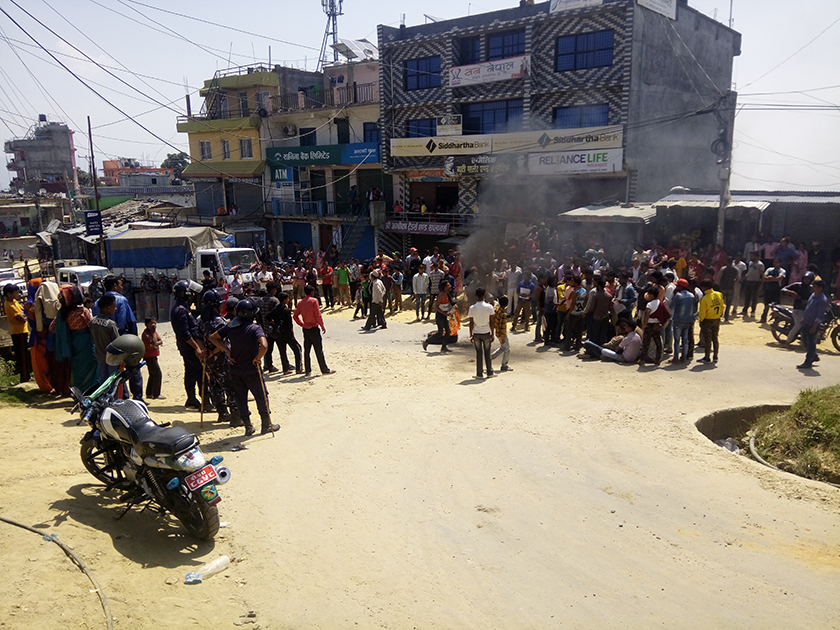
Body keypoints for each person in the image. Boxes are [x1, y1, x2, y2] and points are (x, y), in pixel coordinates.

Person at [209, 299, 279, 436]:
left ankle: (248, 426)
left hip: (235, 369)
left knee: (241, 398)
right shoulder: (254, 328)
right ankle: (266, 425)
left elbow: (213, 337)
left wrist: (226, 351)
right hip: (252, 370)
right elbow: (264, 345)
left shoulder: (230, 327)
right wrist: (258, 358)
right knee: (261, 396)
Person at [199, 290, 239, 424]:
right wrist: (213, 352)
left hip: (208, 360)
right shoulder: (219, 322)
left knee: (215, 386)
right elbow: (223, 342)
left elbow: (197, 336)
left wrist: (205, 351)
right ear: (216, 305)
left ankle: (222, 413)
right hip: (221, 359)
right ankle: (235, 417)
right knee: (231, 387)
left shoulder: (201, 320)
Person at [51, 286, 98, 393]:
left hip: (72, 343)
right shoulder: (83, 311)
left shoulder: (62, 314)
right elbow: (91, 326)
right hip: (86, 343)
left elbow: (52, 328)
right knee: (90, 366)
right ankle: (90, 391)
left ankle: (79, 392)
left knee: (77, 368)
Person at [170, 280, 207, 410]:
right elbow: (185, 333)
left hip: (187, 347)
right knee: (200, 373)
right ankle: (205, 402)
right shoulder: (180, 310)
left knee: (190, 373)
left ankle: (191, 399)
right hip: (189, 348)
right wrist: (196, 347)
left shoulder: (184, 308)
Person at [293, 285, 335, 376]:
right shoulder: (314, 301)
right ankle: (324, 369)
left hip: (306, 328)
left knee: (307, 350)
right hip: (314, 328)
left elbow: (295, 316)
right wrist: (322, 326)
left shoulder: (301, 302)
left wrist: (301, 324)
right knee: (318, 350)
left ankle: (308, 371)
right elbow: (318, 315)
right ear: (312, 292)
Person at [266, 292, 302, 375]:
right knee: (297, 349)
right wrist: (292, 331)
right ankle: (299, 368)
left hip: (279, 333)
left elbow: (267, 316)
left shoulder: (276, 309)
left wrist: (273, 323)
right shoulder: (286, 310)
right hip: (287, 333)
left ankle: (285, 369)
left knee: (282, 352)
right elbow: (289, 323)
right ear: (285, 300)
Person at [797, 279, 829, 369]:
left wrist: (814, 326)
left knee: (811, 343)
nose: (812, 288)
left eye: (814, 286)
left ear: (820, 288)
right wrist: (804, 318)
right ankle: (813, 355)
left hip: (813, 324)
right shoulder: (813, 295)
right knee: (804, 339)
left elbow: (820, 315)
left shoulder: (822, 300)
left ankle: (808, 361)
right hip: (806, 321)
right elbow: (808, 307)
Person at [89, 295, 120, 384]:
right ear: (108, 308)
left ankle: (103, 397)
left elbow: (92, 338)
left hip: (100, 355)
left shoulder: (92, 321)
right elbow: (117, 342)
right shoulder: (110, 324)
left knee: (103, 379)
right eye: (115, 306)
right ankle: (114, 398)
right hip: (112, 357)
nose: (116, 309)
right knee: (114, 380)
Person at [468, 287, 496, 379]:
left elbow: (471, 323)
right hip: (486, 332)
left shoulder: (472, 308)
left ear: (476, 295)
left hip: (476, 333)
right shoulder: (489, 307)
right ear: (484, 295)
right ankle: (489, 372)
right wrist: (492, 333)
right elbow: (492, 322)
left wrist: (471, 335)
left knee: (478, 353)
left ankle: (479, 373)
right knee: (487, 352)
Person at [4, 284, 30, 383]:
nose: (18, 294)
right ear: (9, 294)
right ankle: (24, 377)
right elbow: (22, 319)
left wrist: (23, 314)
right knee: (22, 355)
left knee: (25, 354)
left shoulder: (14, 302)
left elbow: (24, 311)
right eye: (16, 293)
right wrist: (24, 315)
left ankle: (26, 375)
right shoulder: (9, 305)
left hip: (23, 331)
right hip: (18, 332)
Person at [638, 287, 669, 366]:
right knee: (658, 343)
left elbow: (647, 315)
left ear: (651, 295)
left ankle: (642, 360)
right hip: (657, 325)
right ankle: (658, 360)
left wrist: (645, 324)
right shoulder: (660, 302)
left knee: (646, 343)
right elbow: (665, 314)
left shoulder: (650, 304)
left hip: (649, 325)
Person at [669, 279, 695, 364]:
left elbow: (672, 306)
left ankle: (676, 358)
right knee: (685, 339)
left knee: (677, 340)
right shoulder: (691, 295)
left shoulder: (678, 295)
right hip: (688, 319)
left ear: (680, 287)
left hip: (678, 319)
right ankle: (684, 357)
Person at [424, 281, 455, 353]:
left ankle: (444, 347)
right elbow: (436, 307)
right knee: (440, 332)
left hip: (445, 316)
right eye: (448, 285)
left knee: (448, 331)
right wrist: (445, 313)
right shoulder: (441, 296)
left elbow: (451, 302)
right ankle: (426, 341)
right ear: (444, 287)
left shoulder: (448, 294)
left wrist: (454, 306)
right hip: (440, 316)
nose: (450, 286)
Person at [697, 280, 724, 363]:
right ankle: (715, 356)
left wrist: (701, 320)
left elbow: (702, 312)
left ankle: (707, 357)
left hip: (707, 320)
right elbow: (722, 306)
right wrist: (720, 315)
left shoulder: (704, 299)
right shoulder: (719, 294)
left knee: (707, 340)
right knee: (715, 338)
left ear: (704, 287)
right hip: (716, 318)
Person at [141, 317, 164, 400]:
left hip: (153, 355)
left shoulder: (153, 332)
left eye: (154, 323)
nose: (154, 325)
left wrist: (157, 342)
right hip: (149, 356)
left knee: (152, 374)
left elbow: (160, 340)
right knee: (158, 374)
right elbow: (154, 343)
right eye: (151, 323)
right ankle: (156, 394)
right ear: (146, 325)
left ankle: (149, 393)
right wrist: (156, 341)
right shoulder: (146, 334)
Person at [760, 258, 786, 324]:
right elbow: (764, 278)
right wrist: (773, 279)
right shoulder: (769, 269)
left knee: (776, 306)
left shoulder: (782, 271)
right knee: (766, 305)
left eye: (776, 262)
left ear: (780, 263)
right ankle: (763, 318)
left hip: (776, 290)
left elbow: (779, 279)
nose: (775, 263)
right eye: (774, 262)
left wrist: (770, 278)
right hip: (768, 289)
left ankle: (776, 320)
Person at [491, 295, 512, 371]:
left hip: (497, 333)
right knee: (507, 349)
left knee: (503, 348)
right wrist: (503, 337)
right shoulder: (503, 314)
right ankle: (504, 365)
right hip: (502, 334)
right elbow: (503, 327)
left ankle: (490, 358)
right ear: (506, 305)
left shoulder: (496, 310)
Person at [741, 252, 764, 318]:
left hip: (755, 282)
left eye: (752, 256)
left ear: (756, 256)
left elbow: (762, 275)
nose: (751, 257)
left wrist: (761, 285)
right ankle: (745, 310)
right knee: (747, 296)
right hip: (748, 281)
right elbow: (749, 271)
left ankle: (753, 311)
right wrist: (745, 277)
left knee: (754, 297)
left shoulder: (760, 265)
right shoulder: (750, 263)